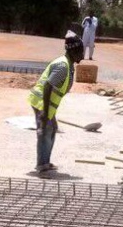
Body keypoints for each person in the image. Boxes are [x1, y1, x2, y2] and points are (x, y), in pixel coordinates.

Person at [27, 33, 84, 175]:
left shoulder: (68, 64)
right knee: (46, 130)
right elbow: (47, 86)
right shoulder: (63, 66)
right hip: (41, 102)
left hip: (47, 103)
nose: (83, 55)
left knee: (52, 128)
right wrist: (45, 112)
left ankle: (45, 162)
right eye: (80, 51)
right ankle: (42, 166)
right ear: (73, 51)